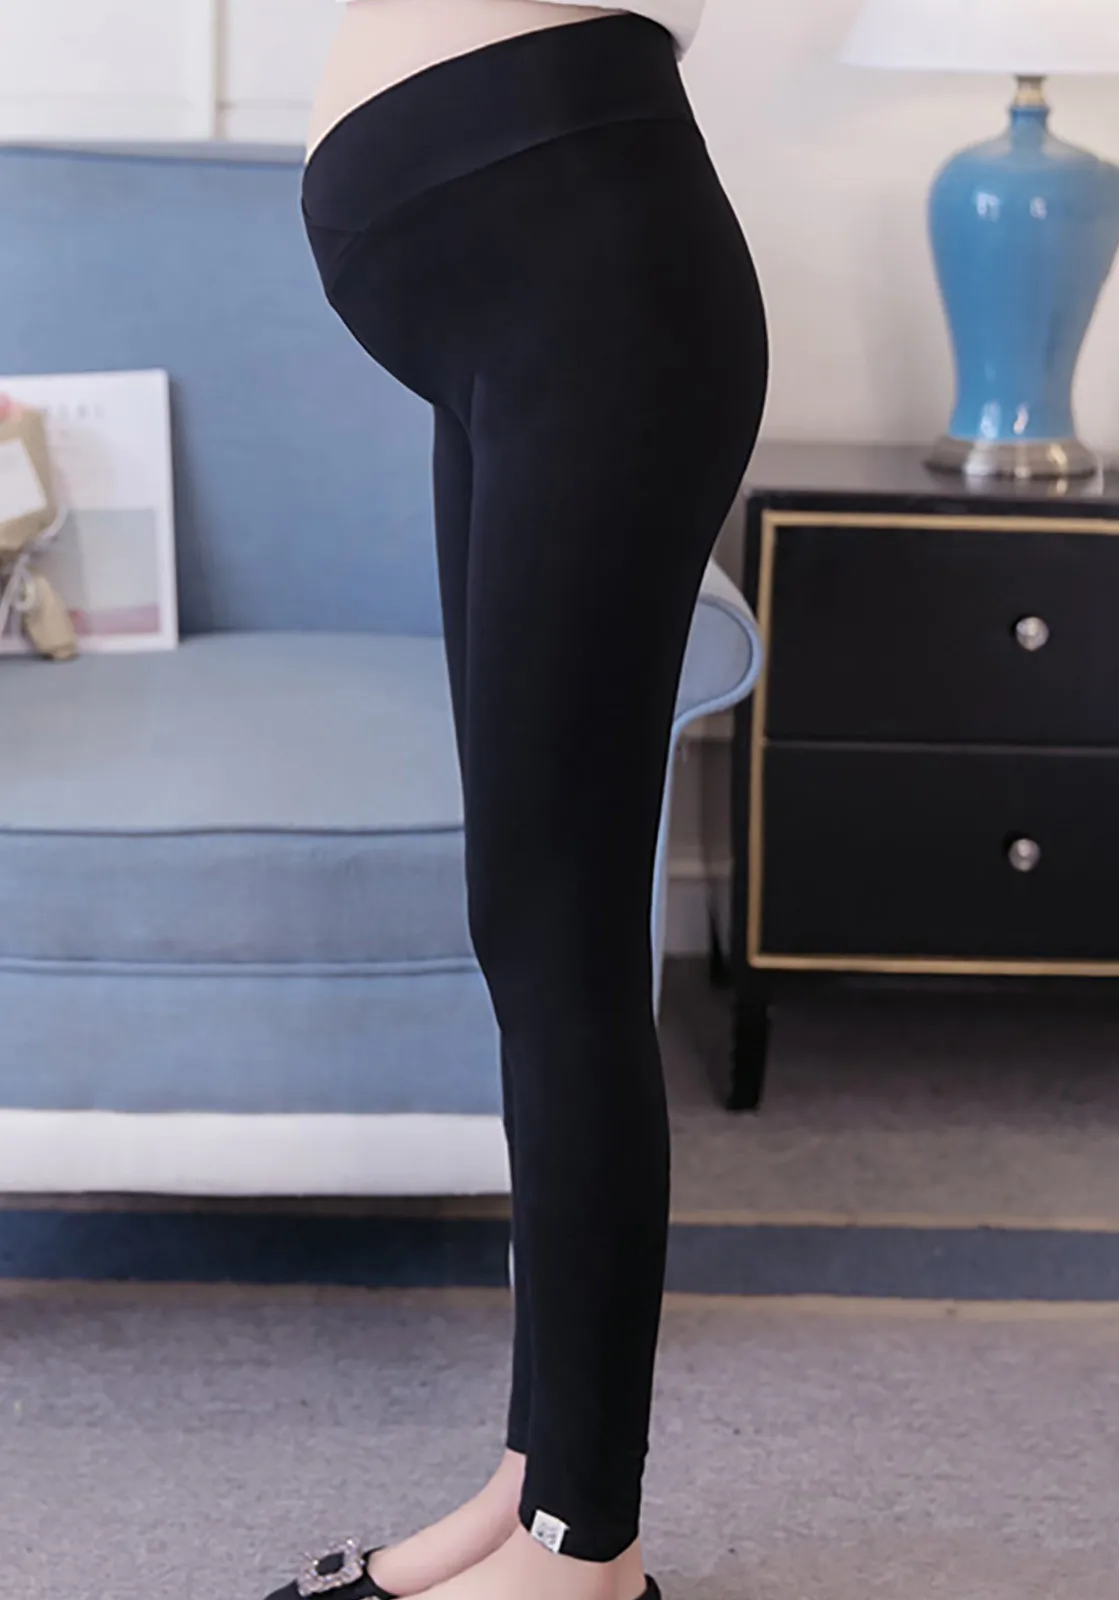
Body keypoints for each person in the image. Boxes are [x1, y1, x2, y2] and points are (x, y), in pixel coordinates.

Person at [266, 5, 768, 1600]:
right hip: (530, 281)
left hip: (585, 278)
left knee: (564, 947)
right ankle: (532, 1484)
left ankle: (585, 1555)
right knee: (525, 930)